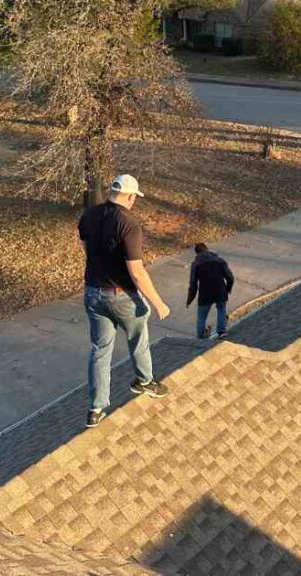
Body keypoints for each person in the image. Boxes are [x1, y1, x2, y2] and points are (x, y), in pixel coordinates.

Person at [79, 174, 171, 429]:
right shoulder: (129, 224)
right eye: (134, 198)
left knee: (100, 349)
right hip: (121, 295)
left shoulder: (89, 215)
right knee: (138, 336)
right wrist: (158, 303)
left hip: (93, 293)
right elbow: (137, 272)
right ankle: (144, 382)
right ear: (130, 197)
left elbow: (86, 247)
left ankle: (96, 408)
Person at [186, 243, 234, 339]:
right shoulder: (219, 260)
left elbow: (193, 284)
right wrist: (228, 288)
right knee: (221, 309)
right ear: (207, 249)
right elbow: (230, 276)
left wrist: (189, 299)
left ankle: (200, 336)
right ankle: (221, 331)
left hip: (205, 293)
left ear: (197, 253)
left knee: (201, 318)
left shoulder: (196, 264)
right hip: (220, 290)